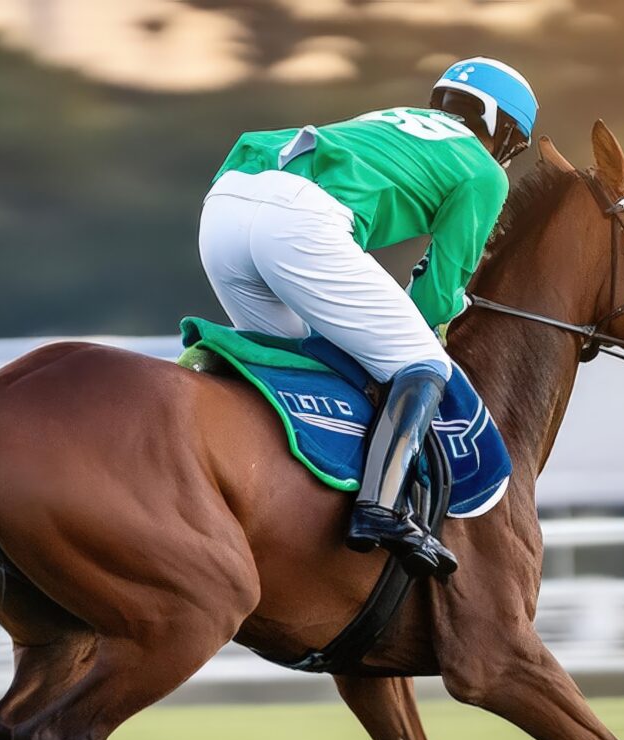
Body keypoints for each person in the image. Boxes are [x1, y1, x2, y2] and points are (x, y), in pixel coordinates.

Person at [199, 57, 537, 577]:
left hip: (226, 203)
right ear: (504, 128)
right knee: (424, 363)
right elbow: (437, 294)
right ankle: (380, 508)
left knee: (290, 365)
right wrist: (433, 326)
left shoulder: (393, 119)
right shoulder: (484, 171)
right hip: (296, 220)